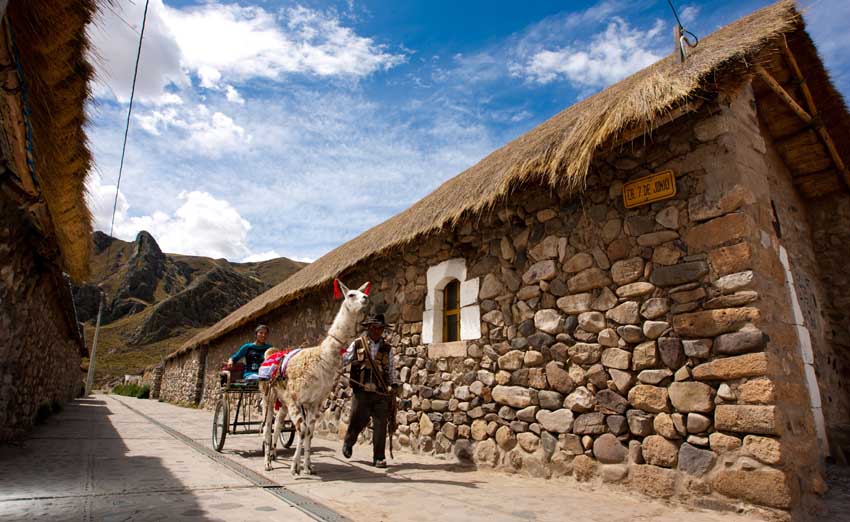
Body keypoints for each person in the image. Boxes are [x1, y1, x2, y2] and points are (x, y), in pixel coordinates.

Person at [341, 313, 397, 468]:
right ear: (369, 328)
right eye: (375, 327)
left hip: (381, 392)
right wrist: (335, 362)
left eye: (380, 328)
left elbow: (391, 368)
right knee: (358, 420)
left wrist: (394, 385)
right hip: (361, 391)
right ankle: (349, 442)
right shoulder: (358, 344)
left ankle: (379, 457)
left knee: (381, 423)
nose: (377, 331)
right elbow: (345, 359)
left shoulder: (387, 348)